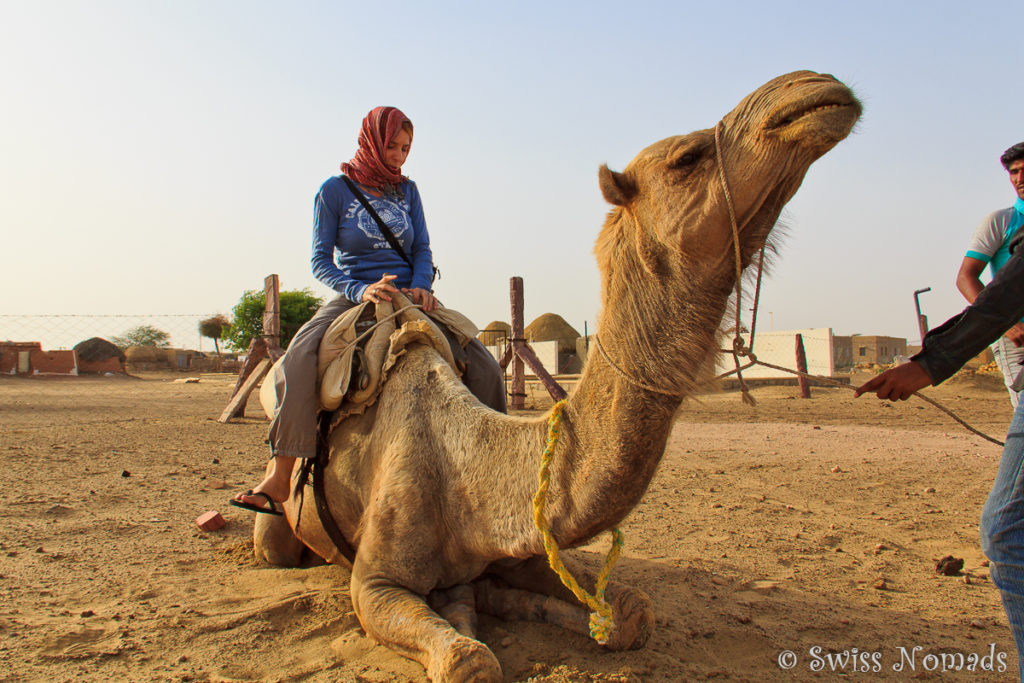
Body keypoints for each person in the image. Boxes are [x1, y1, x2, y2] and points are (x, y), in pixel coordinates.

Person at [231, 106, 506, 515]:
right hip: (357, 291)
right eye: (393, 146)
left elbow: (422, 248)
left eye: (406, 148)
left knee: (484, 364)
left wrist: (423, 287)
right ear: (373, 141)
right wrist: (360, 290)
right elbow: (321, 261)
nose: (399, 155)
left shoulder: (408, 191)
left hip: (410, 294)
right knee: (299, 359)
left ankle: (495, 472)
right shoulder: (334, 190)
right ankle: (280, 472)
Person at [855, 202, 1024, 677]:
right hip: (1011, 344)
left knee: (1006, 531)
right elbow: (979, 283)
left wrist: (927, 365)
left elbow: (1002, 295)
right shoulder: (1001, 224)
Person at [955, 142, 1024, 407]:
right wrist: (1005, 324)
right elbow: (966, 278)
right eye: (1014, 172)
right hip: (1017, 336)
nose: (1020, 178)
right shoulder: (1001, 221)